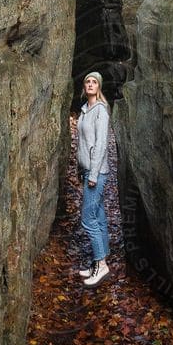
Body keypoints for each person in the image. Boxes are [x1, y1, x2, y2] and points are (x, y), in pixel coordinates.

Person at [72, 70, 111, 286]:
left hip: (97, 172)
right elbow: (83, 145)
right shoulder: (85, 110)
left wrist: (93, 174)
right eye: (87, 81)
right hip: (88, 170)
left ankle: (101, 264)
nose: (90, 84)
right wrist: (82, 170)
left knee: (88, 219)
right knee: (99, 216)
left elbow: (102, 145)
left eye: (94, 81)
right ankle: (100, 261)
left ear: (99, 87)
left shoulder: (100, 112)